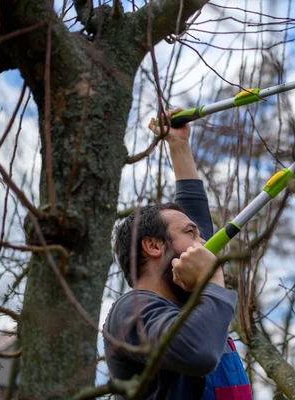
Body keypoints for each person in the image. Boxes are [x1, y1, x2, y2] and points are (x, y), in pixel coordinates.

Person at [103, 109, 252, 399]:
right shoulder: (131, 310)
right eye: (191, 234)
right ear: (154, 246)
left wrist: (178, 145)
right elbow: (198, 353)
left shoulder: (193, 311)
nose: (205, 244)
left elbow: (192, 219)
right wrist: (212, 277)